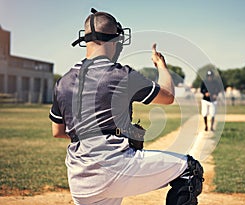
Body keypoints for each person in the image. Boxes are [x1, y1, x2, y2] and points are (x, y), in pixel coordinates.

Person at [49, 8, 204, 205]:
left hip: (79, 181)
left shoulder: (63, 82)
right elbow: (168, 96)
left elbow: (58, 131)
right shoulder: (121, 74)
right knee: (190, 170)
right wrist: (161, 65)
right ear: (114, 41)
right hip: (116, 169)